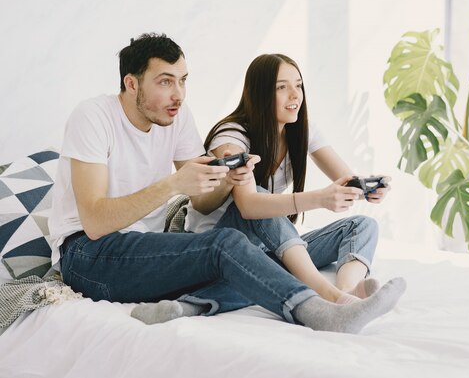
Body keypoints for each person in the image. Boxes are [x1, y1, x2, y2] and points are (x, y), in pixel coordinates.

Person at [47, 33, 406, 333]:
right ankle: (320, 311)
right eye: (165, 82)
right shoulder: (93, 117)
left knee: (250, 257)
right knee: (227, 245)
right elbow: (94, 223)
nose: (179, 94)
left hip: (151, 245)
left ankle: (194, 306)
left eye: (183, 80)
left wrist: (227, 178)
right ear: (131, 83)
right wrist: (174, 185)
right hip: (88, 257)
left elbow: (203, 201)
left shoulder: (177, 116)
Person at [185, 53, 392, 305]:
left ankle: (348, 291)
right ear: (260, 94)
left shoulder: (300, 129)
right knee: (262, 197)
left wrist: (367, 187)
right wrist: (320, 199)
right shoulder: (232, 137)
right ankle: (330, 297)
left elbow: (346, 179)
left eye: (298, 85)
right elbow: (249, 206)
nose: (295, 95)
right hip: (221, 246)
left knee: (362, 225)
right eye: (282, 87)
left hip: (266, 247)